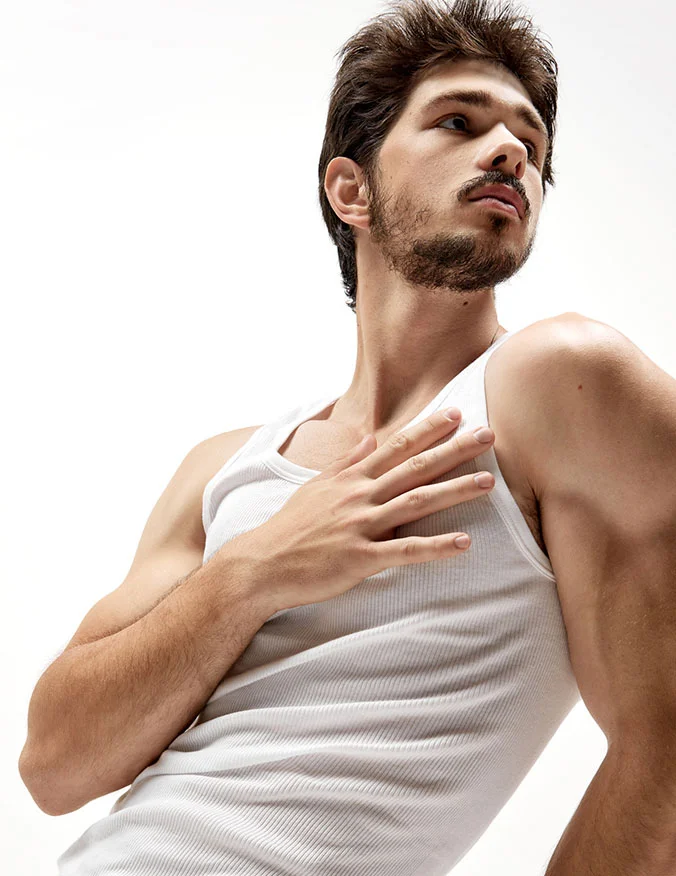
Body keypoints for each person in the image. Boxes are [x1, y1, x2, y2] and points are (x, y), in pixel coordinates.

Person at [20, 1, 676, 874]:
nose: (513, 152)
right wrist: (257, 569)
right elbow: (55, 765)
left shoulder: (562, 381)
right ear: (351, 189)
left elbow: (665, 747)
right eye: (458, 120)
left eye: (531, 144)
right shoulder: (225, 469)